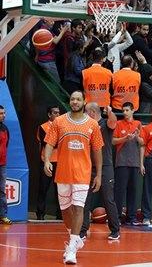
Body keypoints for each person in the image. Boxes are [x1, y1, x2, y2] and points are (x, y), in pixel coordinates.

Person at [43, 91, 104, 264]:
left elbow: (97, 150)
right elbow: (49, 143)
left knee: (79, 208)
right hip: (62, 172)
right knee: (65, 210)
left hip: (83, 174)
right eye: (72, 99)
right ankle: (74, 237)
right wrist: (47, 160)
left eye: (78, 99)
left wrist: (98, 174)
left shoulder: (92, 124)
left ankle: (71, 248)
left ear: (84, 101)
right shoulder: (59, 121)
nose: (75, 101)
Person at [81, 103, 121, 241]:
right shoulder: (86, 125)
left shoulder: (105, 124)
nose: (84, 114)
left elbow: (113, 121)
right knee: (85, 200)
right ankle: (82, 230)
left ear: (92, 112)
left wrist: (110, 112)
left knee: (108, 199)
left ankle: (115, 230)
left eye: (86, 111)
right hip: (89, 167)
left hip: (105, 167)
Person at [112, 102, 144, 225]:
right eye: (123, 110)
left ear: (133, 111)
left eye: (127, 110)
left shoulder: (138, 124)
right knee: (119, 192)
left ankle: (132, 217)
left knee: (133, 191)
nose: (124, 113)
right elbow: (113, 141)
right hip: (122, 162)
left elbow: (142, 142)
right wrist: (125, 138)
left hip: (134, 162)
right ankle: (117, 218)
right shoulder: (119, 124)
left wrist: (136, 137)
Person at [36, 105, 61, 220]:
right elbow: (48, 143)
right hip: (46, 161)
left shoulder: (62, 127)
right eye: (55, 113)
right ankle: (40, 214)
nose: (57, 115)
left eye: (58, 113)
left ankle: (60, 214)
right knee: (43, 189)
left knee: (60, 191)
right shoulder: (43, 127)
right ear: (49, 115)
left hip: (60, 162)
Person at [0, 105, 10, 225]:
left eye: (4, 113)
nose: (4, 115)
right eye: (1, 113)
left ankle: (3, 215)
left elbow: (6, 145)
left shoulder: (5, 128)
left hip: (2, 164)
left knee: (2, 191)